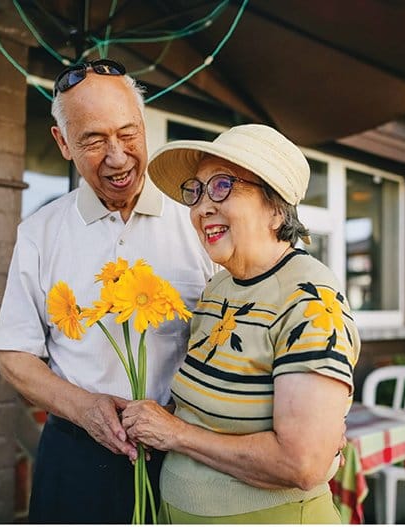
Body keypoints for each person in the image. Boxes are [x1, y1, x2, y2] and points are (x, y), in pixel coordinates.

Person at [0, 59, 215, 523]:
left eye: (128, 133)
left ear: (145, 125)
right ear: (63, 144)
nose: (117, 157)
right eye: (93, 140)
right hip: (76, 455)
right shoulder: (40, 232)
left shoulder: (199, 221)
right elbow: (13, 355)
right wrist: (85, 408)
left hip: (186, 456)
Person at [122, 124, 361, 524]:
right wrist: (150, 416)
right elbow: (208, 408)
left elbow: (302, 464)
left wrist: (174, 434)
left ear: (274, 206)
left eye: (221, 186)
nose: (201, 208)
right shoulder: (219, 287)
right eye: (196, 192)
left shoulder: (309, 297)